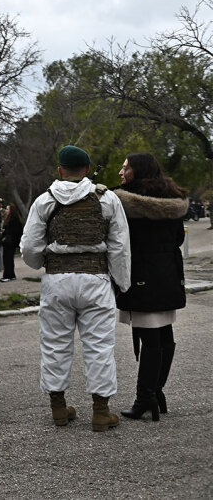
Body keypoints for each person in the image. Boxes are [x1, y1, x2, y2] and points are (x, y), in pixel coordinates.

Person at [20, 145, 130, 432]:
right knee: (100, 347)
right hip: (95, 280)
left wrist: (42, 263)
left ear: (59, 170)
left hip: (57, 280)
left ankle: (59, 408)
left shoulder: (45, 201)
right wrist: (121, 282)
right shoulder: (107, 200)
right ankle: (101, 412)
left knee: (55, 344)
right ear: (88, 169)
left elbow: (30, 247)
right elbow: (120, 247)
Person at [113, 153, 189, 421]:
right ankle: (156, 392)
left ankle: (145, 398)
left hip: (141, 273)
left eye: (126, 168)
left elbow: (119, 242)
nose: (121, 172)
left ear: (139, 171)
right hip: (168, 272)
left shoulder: (123, 202)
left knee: (150, 338)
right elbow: (178, 237)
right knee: (164, 334)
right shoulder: (171, 197)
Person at [0, 203, 24, 282]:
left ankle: (8, 275)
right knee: (8, 259)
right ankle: (11, 274)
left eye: (7, 209)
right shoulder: (11, 218)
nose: (6, 211)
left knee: (8, 259)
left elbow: (16, 231)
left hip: (10, 242)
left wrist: (7, 235)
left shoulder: (14, 219)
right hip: (9, 242)